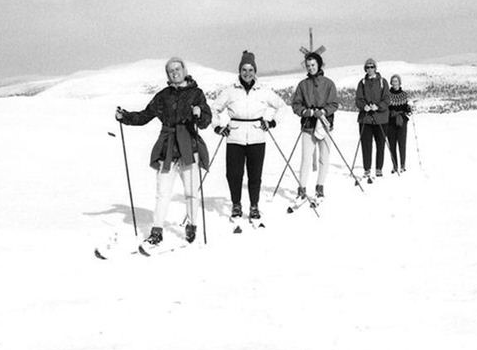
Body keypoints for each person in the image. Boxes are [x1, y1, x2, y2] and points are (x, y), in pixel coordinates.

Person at [115, 57, 212, 245]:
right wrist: (125, 117)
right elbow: (144, 116)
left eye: (177, 69)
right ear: (167, 75)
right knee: (162, 193)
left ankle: (192, 225)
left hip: (189, 147)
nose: (175, 73)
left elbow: (206, 121)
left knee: (191, 192)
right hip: (167, 148)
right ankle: (157, 231)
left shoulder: (196, 94)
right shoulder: (163, 96)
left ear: (184, 70)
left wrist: (199, 113)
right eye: (170, 71)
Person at [211, 50, 285, 222]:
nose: (247, 73)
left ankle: (254, 206)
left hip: (257, 136)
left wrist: (272, 122)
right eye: (244, 69)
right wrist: (218, 127)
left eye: (251, 70)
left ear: (255, 71)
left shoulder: (263, 90)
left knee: (255, 175)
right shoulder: (230, 91)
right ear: (239, 71)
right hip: (234, 136)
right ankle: (236, 204)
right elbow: (214, 108)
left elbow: (282, 106)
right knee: (233, 174)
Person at [290, 52, 338, 201]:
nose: (310, 68)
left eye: (313, 65)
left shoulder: (329, 83)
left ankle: (320, 187)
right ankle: (302, 189)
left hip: (324, 124)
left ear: (319, 65)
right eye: (308, 65)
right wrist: (307, 112)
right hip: (308, 126)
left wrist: (323, 111)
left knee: (324, 158)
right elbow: (296, 104)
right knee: (306, 158)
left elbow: (334, 104)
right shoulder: (303, 85)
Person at [355, 58, 390, 181]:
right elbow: (358, 99)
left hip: (380, 118)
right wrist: (363, 106)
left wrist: (378, 106)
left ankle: (379, 168)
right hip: (365, 118)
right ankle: (367, 169)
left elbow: (387, 98)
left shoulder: (382, 82)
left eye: (372, 67)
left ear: (375, 68)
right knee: (366, 144)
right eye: (368, 67)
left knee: (380, 144)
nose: (370, 69)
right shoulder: (362, 82)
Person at [386, 74, 411, 173]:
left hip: (402, 121)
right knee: (392, 145)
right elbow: (386, 107)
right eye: (393, 81)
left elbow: (405, 107)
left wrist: (408, 108)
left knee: (402, 143)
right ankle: (395, 165)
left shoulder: (404, 94)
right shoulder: (387, 95)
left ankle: (403, 165)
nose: (394, 83)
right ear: (391, 83)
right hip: (390, 121)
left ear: (399, 82)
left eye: (396, 81)